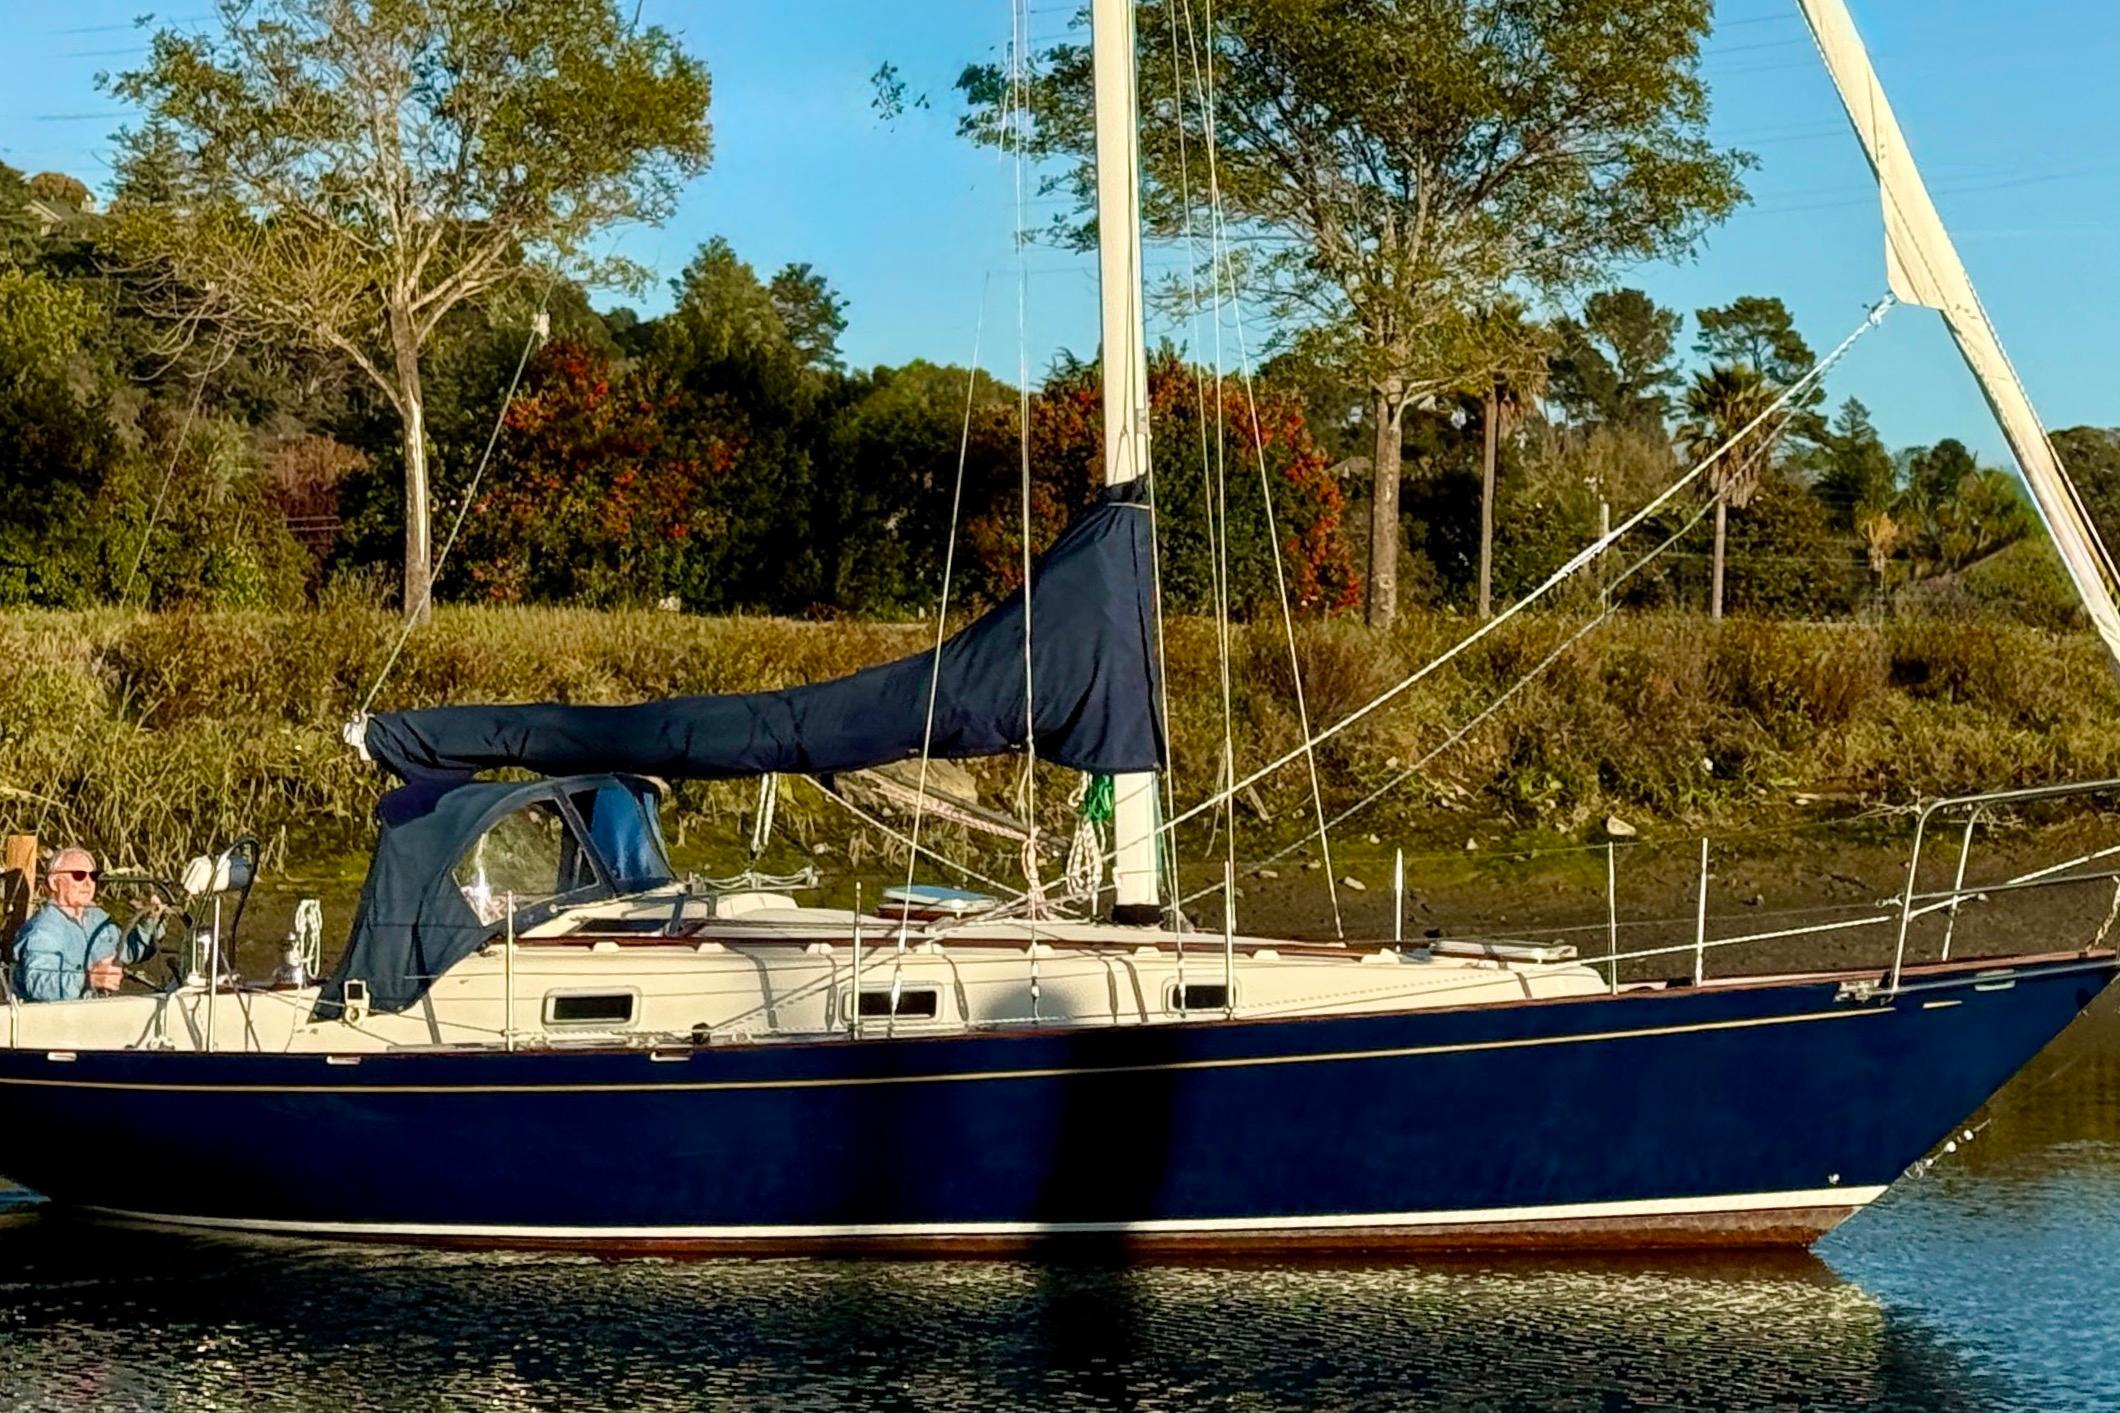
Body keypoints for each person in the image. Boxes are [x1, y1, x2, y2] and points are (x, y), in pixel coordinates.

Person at [11, 848, 166, 1003]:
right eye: (78, 875)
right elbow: (38, 983)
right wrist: (88, 980)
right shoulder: (44, 930)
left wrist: (150, 921)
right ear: (54, 882)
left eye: (93, 876)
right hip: (58, 1019)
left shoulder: (97, 917)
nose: (87, 883)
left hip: (98, 1011)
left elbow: (126, 952)